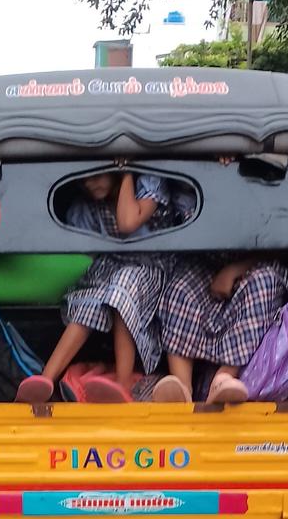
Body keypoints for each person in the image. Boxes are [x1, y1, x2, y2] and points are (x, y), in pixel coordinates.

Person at [16, 169, 186, 404]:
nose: (89, 182)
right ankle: (46, 379)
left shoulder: (148, 184)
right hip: (112, 266)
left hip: (151, 270)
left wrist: (126, 174)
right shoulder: (85, 207)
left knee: (121, 288)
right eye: (84, 177)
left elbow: (128, 222)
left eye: (96, 174)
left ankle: (124, 383)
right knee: (92, 300)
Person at [154, 257, 288, 403]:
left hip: (262, 262)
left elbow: (273, 243)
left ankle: (222, 381)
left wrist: (236, 268)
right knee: (180, 289)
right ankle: (182, 388)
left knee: (263, 283)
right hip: (209, 261)